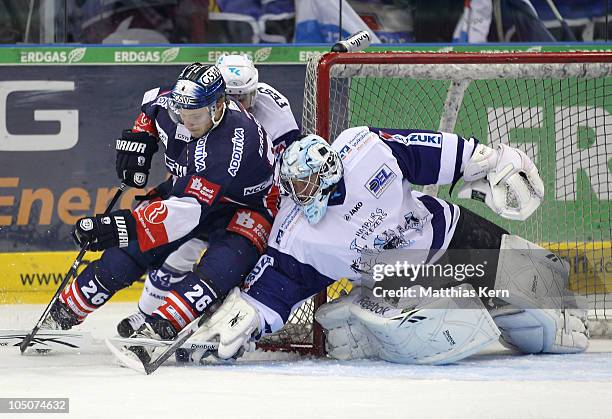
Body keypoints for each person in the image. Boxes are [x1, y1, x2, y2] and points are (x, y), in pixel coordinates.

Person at [189, 127, 589, 365]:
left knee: (554, 331)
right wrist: (250, 315)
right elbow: (281, 283)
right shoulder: (297, 234)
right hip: (398, 281)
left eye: (305, 184)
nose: (298, 195)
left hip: (447, 236)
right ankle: (365, 317)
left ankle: (363, 316)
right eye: (291, 187)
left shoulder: (366, 150)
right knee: (438, 330)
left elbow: (423, 151)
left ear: (328, 172)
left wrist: (489, 159)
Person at [43, 63, 278, 347]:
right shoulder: (174, 106)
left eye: (196, 116)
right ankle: (61, 313)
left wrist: (119, 226)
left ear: (218, 107)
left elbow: (182, 215)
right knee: (127, 255)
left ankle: (161, 325)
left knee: (217, 271)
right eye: (183, 113)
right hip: (193, 188)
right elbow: (150, 103)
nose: (187, 122)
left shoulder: (233, 143)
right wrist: (141, 138)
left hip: (248, 207)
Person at [116, 53, 300, 338]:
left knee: (231, 264)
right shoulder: (202, 109)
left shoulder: (275, 111)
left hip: (248, 201)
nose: (241, 104)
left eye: (246, 97)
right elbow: (156, 105)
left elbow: (289, 168)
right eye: (233, 96)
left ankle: (225, 312)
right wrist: (142, 134)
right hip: (207, 192)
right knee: (178, 253)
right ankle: (145, 315)